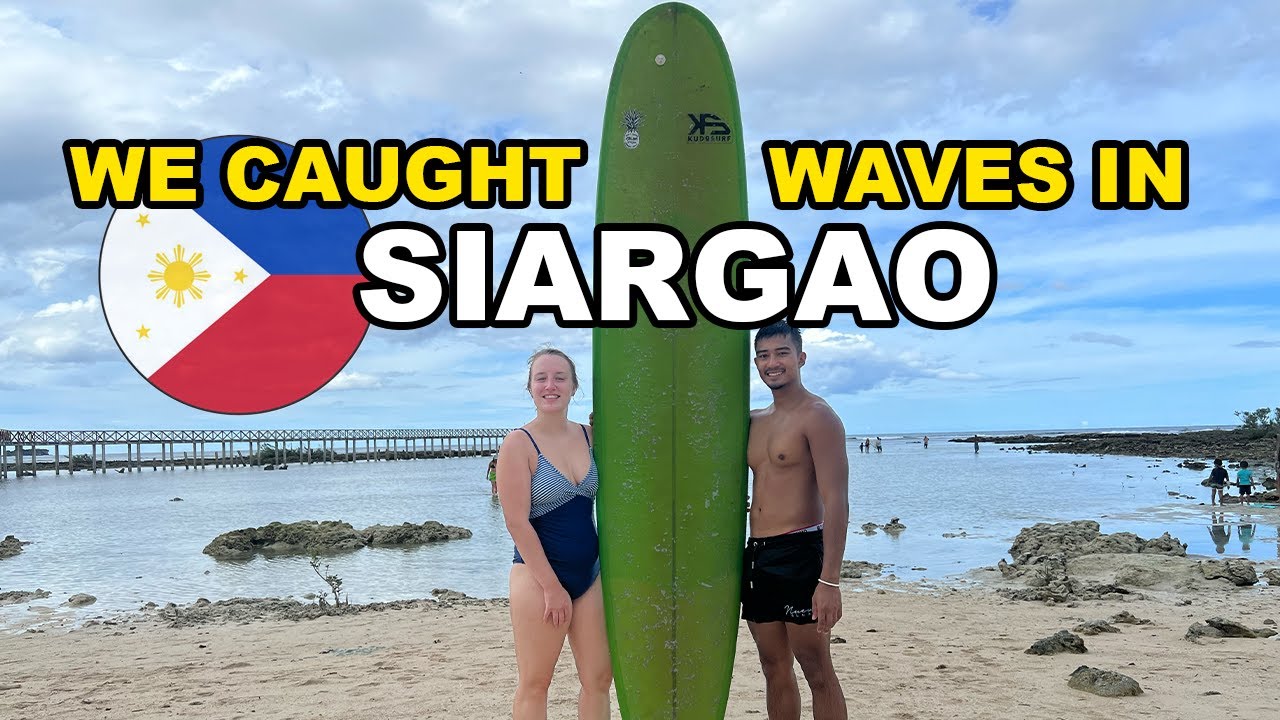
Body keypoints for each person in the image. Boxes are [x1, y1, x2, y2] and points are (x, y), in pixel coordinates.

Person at [496, 347, 611, 719]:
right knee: (536, 682)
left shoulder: (592, 436)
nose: (551, 385)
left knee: (598, 679)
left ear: (574, 386)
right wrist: (552, 588)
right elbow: (516, 522)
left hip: (589, 573)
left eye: (560, 378)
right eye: (541, 378)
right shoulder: (518, 443)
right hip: (537, 577)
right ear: (529, 388)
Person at [743, 321, 849, 720]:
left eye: (782, 353)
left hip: (801, 552)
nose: (773, 363)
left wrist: (830, 580)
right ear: (756, 363)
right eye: (765, 355)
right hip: (758, 556)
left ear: (800, 358)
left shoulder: (818, 416)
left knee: (817, 670)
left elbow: (836, 501)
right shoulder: (753, 421)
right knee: (773, 667)